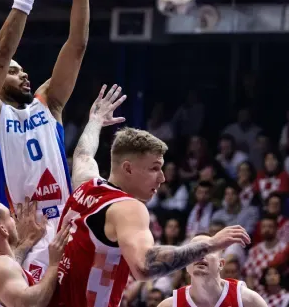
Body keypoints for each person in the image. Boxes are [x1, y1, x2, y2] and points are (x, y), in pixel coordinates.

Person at [52, 85, 251, 307]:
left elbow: (83, 154)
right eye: (154, 168)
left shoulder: (86, 185)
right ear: (128, 168)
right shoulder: (127, 208)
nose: (162, 178)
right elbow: (144, 266)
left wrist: (96, 121)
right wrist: (211, 245)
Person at [0, 0, 89, 279]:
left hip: (69, 229)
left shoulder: (48, 103)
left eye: (23, 70)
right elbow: (2, 55)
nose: (24, 74)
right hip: (27, 237)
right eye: (14, 71)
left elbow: (77, 46)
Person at [0, 196, 70, 307]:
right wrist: (54, 264)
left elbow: (11, 267)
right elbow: (29, 304)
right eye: (9, 216)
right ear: (3, 229)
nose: (14, 219)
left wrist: (27, 242)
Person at [157, 234, 268, 307]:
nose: (200, 256)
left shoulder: (248, 301)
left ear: (221, 264)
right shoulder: (170, 305)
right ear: (186, 265)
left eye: (207, 251)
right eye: (194, 252)